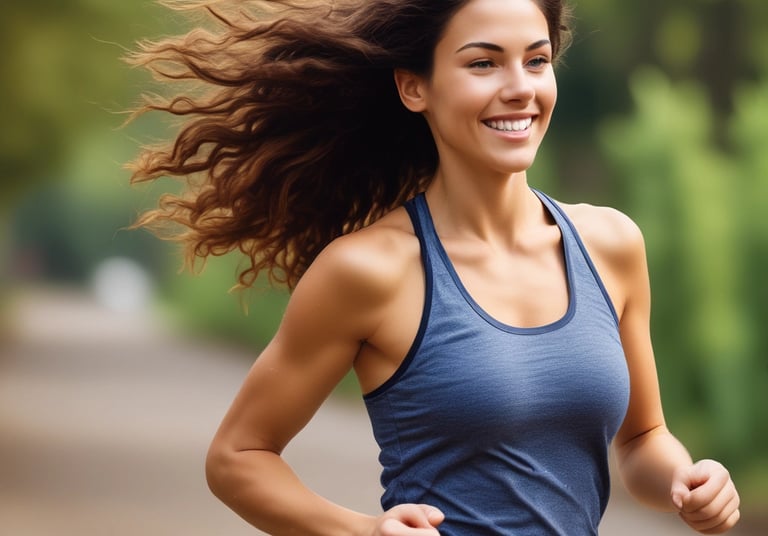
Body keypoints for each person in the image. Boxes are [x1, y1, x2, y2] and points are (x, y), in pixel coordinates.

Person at [127, 0, 741, 534]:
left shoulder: (610, 245)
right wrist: (361, 530)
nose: (520, 86)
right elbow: (237, 456)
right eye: (483, 63)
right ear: (413, 87)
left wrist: (688, 481)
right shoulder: (369, 271)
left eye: (536, 59)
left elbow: (639, 442)